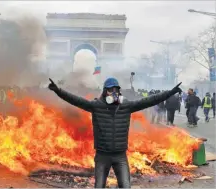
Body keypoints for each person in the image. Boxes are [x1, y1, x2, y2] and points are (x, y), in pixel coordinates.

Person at [48, 77, 182, 188]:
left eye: (116, 89)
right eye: (110, 90)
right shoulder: (96, 106)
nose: (113, 93)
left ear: (119, 91)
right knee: (99, 186)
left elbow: (151, 100)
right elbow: (75, 100)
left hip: (120, 156)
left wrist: (170, 92)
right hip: (102, 156)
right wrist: (58, 91)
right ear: (105, 92)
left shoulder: (127, 106)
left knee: (125, 186)